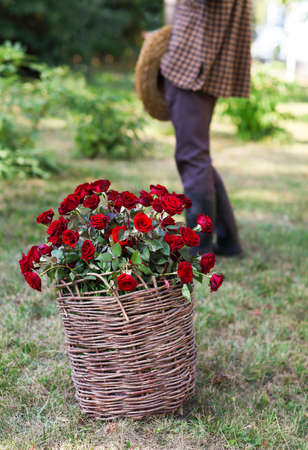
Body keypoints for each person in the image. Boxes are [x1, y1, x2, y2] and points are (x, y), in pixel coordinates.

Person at [160, 0, 252, 256]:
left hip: (192, 65)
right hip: (201, 62)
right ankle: (228, 241)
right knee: (197, 156)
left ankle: (198, 247)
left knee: (192, 157)